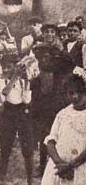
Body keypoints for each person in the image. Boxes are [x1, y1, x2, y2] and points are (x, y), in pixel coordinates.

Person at [39, 74, 86, 185]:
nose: (74, 97)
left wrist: (71, 165)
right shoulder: (63, 114)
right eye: (70, 93)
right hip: (60, 169)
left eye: (78, 93)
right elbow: (51, 140)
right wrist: (59, 163)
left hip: (79, 169)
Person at [0, 55, 35, 185]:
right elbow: (5, 93)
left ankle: (30, 181)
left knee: (27, 147)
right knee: (6, 145)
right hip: (8, 112)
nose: (6, 69)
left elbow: (26, 100)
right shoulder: (1, 80)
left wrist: (26, 82)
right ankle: (2, 176)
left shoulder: (23, 80)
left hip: (22, 113)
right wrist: (15, 77)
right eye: (3, 67)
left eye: (9, 67)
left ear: (15, 67)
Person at [31, 43, 72, 176]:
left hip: (59, 106)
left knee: (63, 135)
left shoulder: (59, 66)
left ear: (51, 56)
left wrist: (60, 50)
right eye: (40, 57)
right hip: (44, 109)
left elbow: (69, 61)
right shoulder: (36, 69)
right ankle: (42, 166)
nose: (43, 60)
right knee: (44, 137)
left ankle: (64, 163)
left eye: (46, 56)